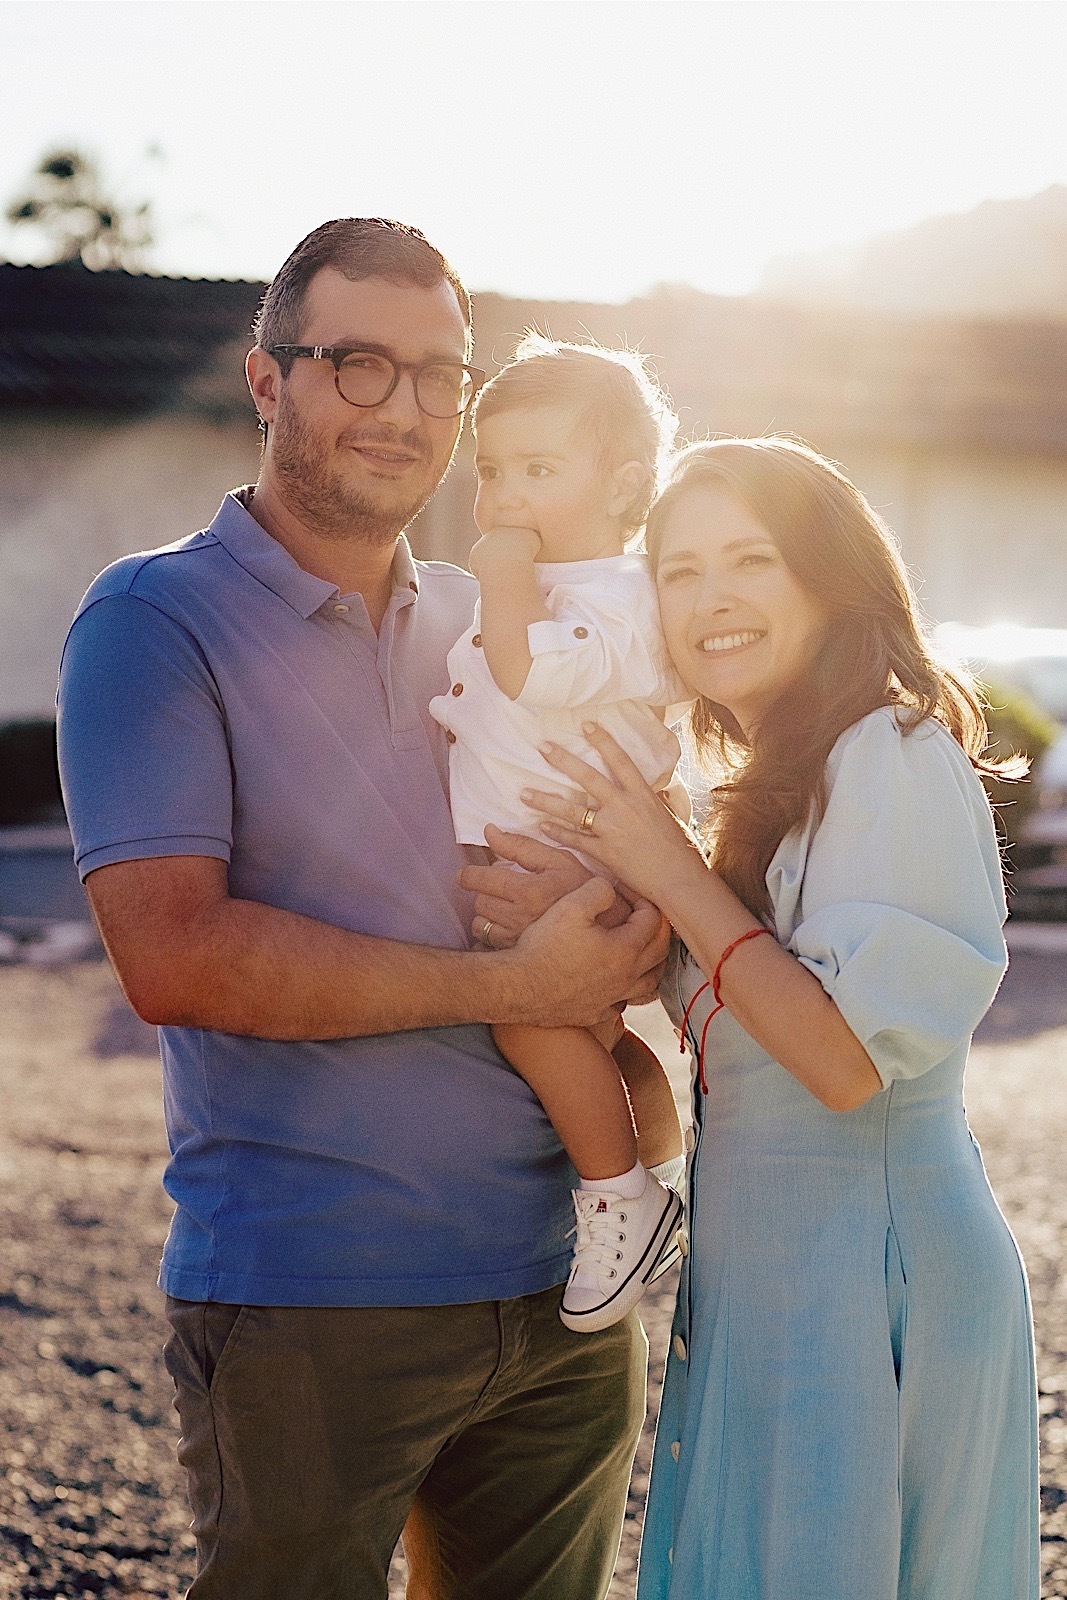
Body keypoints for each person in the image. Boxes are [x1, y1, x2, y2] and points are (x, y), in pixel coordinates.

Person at [56, 218, 671, 1600]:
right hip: (314, 1301)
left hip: (563, 1296)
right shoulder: (153, 621)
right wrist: (519, 989)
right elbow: (174, 957)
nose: (403, 410)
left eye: (438, 376)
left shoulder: (496, 621)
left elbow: (640, 844)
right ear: (267, 382)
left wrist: (638, 922)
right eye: (356, 364)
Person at [516, 437, 1040, 1599]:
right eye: (679, 568)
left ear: (828, 578)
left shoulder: (889, 752)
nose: (711, 599)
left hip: (871, 1271)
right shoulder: (766, 785)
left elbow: (843, 1063)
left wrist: (672, 870)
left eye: (750, 560)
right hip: (766, 1276)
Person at [429, 337, 686, 1334]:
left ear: (623, 486)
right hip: (551, 850)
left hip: (569, 863)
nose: (505, 494)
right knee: (595, 1033)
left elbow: (533, 672)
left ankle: (616, 1192)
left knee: (531, 1018)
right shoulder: (551, 586)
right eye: (492, 470)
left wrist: (499, 573)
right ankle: (658, 1171)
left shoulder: (620, 597)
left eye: (539, 470)